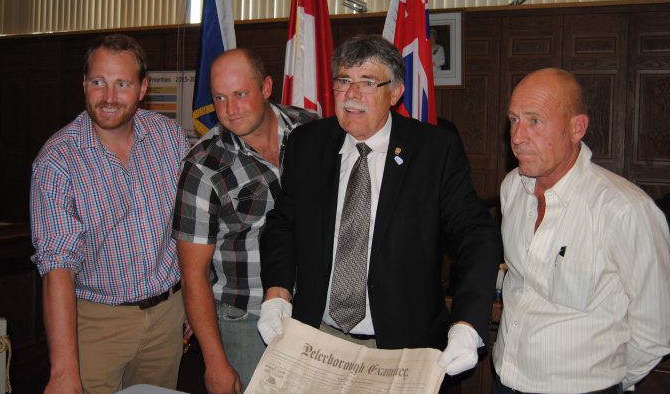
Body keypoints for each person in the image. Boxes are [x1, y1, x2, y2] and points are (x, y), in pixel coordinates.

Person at [257, 34, 501, 377]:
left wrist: (467, 323)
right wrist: (277, 292)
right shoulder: (307, 144)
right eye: (344, 81)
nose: (352, 95)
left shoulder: (434, 151)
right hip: (317, 338)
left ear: (396, 92)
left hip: (399, 348)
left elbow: (476, 235)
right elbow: (283, 223)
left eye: (368, 83)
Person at [493, 68, 670, 393]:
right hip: (506, 381)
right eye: (514, 119)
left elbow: (656, 329)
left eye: (534, 121)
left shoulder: (625, 210)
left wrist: (609, 382)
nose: (517, 137)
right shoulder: (512, 188)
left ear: (577, 128)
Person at [30, 34, 190, 394]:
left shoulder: (169, 137)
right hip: (96, 322)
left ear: (142, 87)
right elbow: (56, 265)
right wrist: (63, 370)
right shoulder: (57, 161)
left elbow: (187, 226)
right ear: (84, 83)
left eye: (122, 84)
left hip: (168, 315)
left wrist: (194, 300)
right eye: (99, 82)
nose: (109, 97)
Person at [172, 48, 316, 394]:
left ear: (266, 87)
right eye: (220, 98)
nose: (230, 110)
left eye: (240, 94)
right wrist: (215, 361)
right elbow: (193, 276)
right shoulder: (203, 166)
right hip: (246, 319)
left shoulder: (310, 129)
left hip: (313, 312)